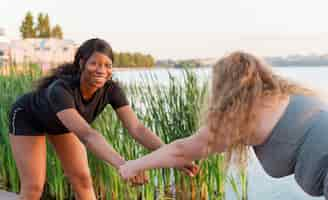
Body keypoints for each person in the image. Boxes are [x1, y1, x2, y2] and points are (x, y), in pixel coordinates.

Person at [119, 51, 328, 199]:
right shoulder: (289, 96)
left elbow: (180, 151)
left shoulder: (239, 116)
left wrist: (133, 166)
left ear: (224, 86)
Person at [8, 38, 196, 200]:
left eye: (107, 65)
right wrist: (125, 166)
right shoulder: (61, 90)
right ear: (81, 64)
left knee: (82, 178)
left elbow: (137, 128)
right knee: (33, 188)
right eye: (94, 63)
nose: (101, 70)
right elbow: (88, 135)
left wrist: (172, 156)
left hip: (61, 125)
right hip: (28, 118)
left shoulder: (111, 90)